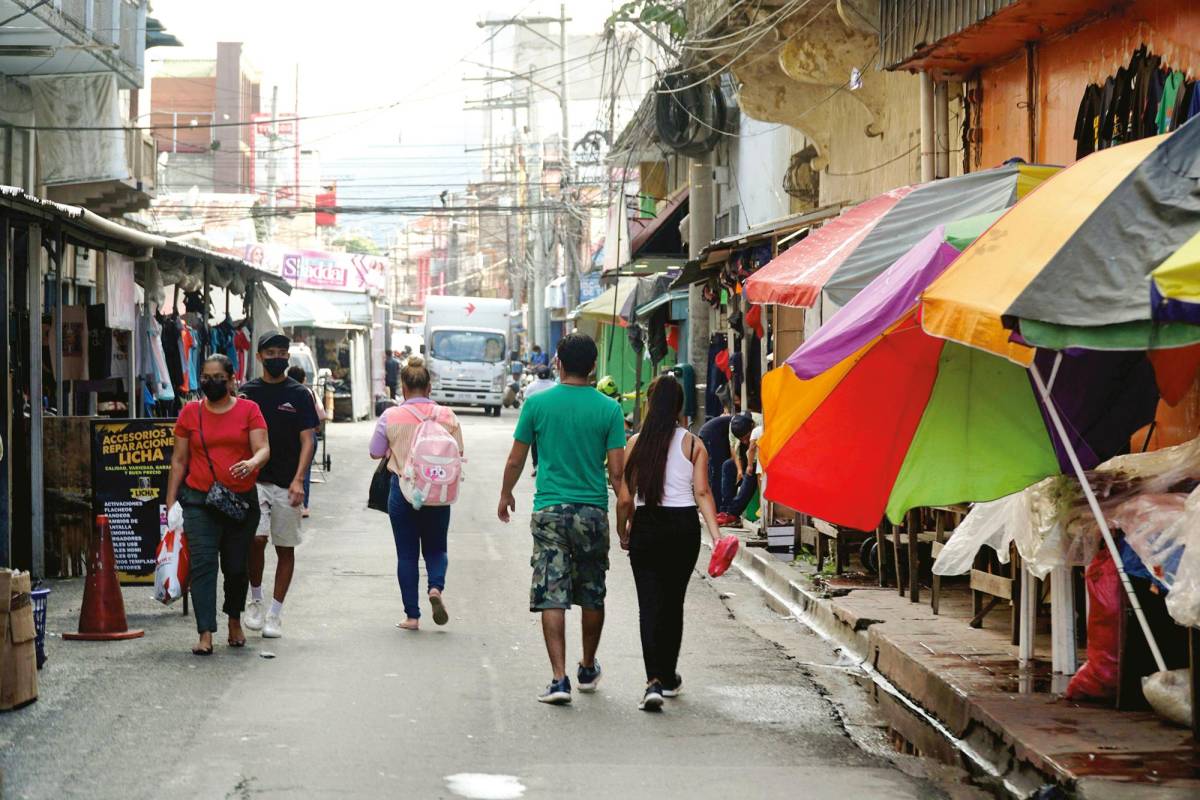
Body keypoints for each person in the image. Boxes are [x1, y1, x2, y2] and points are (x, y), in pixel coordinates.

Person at [498, 333, 626, 705]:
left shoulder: (537, 404)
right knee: (592, 591)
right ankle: (587, 666)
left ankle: (559, 679)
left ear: (558, 363)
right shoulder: (609, 409)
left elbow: (516, 459)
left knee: (550, 593)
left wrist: (506, 494)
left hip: (550, 510)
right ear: (593, 367)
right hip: (592, 511)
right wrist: (625, 514)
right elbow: (617, 473)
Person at [617, 374, 721, 710]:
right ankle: (669, 674)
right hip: (682, 528)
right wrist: (717, 537)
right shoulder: (693, 444)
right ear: (679, 407)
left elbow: (625, 499)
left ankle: (654, 683)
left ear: (649, 403)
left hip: (646, 527)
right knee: (673, 603)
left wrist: (622, 530)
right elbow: (702, 492)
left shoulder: (636, 443)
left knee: (649, 606)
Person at [164, 354, 269, 656]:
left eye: (218, 378)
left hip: (239, 502)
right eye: (206, 378)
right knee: (203, 565)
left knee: (236, 567)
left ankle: (234, 619)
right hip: (199, 500)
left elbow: (263, 448)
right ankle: (205, 631)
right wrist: (171, 503)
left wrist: (252, 463)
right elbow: (179, 460)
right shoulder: (190, 413)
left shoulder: (249, 410)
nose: (211, 383)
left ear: (232, 380)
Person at [369, 356, 463, 630]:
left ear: (403, 387)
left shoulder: (390, 416)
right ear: (429, 387)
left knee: (407, 555)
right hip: (438, 490)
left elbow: (375, 451)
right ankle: (435, 587)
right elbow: (458, 452)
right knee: (436, 547)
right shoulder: (448, 416)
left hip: (403, 490)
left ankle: (412, 616)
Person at [239, 332, 320, 639]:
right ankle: (256, 600)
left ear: (288, 357)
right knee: (256, 540)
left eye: (282, 353)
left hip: (287, 483)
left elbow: (307, 440)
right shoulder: (247, 393)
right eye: (270, 352)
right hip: (255, 481)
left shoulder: (299, 394)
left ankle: (275, 613)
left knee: (285, 547)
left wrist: (299, 479)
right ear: (259, 356)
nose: (276, 358)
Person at [286, 364, 325, 516]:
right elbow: (321, 414)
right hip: (308, 435)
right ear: (303, 379)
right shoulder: (308, 392)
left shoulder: (284, 392)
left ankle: (289, 502)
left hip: (289, 435)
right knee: (305, 470)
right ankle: (304, 506)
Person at [718, 413, 759, 526]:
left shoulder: (760, 424)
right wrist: (739, 469)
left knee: (750, 474)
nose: (745, 441)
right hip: (744, 455)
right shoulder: (733, 426)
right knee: (728, 466)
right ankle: (725, 510)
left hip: (758, 456)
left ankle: (733, 513)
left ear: (752, 426)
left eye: (746, 437)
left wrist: (748, 467)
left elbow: (753, 453)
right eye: (741, 439)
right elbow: (733, 448)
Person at [698, 392, 734, 510]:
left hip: (709, 435)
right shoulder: (740, 424)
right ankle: (716, 506)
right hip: (711, 437)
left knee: (714, 470)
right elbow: (734, 446)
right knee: (717, 471)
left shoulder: (734, 420)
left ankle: (715, 504)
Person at [521, 365, 556, 477]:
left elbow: (526, 402)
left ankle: (536, 466)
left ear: (537, 375)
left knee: (535, 445)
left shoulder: (531, 386)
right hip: (552, 421)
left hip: (536, 420)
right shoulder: (555, 386)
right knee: (550, 444)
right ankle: (549, 467)